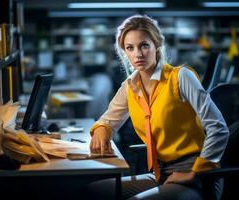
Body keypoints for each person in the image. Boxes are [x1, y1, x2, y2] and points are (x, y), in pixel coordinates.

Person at [88, 15, 229, 200]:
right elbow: (108, 120)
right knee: (95, 191)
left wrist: (196, 171)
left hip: (196, 173)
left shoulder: (180, 77)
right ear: (125, 53)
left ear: (157, 46)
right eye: (130, 48)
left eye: (144, 45)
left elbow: (218, 128)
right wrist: (101, 128)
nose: (138, 54)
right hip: (160, 173)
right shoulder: (130, 86)